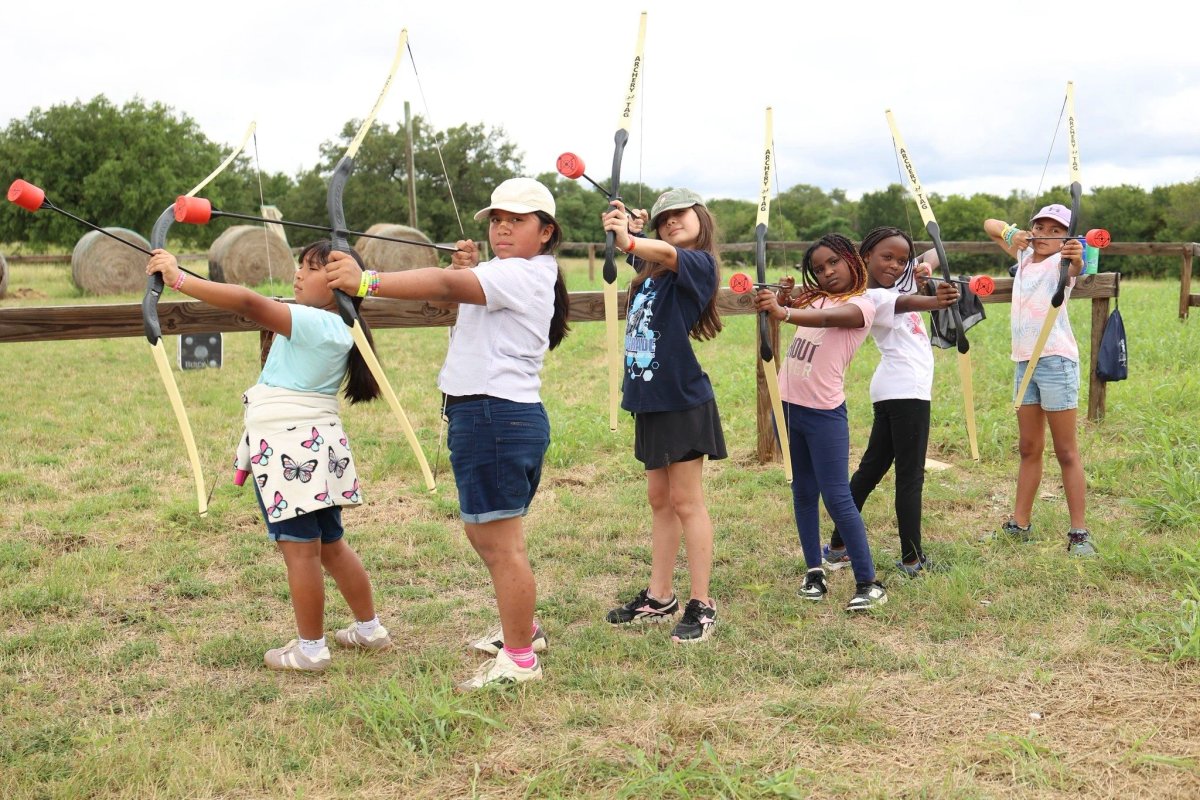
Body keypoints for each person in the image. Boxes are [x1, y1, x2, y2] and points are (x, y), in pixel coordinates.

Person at [325, 177, 570, 687]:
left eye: (517, 221)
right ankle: (523, 629)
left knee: (502, 545)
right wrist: (469, 272)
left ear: (546, 232)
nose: (503, 228)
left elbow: (443, 286)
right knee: (488, 533)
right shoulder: (506, 273)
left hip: (495, 416)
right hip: (486, 415)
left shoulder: (524, 275)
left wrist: (366, 281)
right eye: (497, 220)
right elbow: (461, 298)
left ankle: (521, 661)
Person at [146, 241, 392, 673]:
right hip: (314, 447)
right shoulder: (336, 326)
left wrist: (179, 278)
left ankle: (311, 649)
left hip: (289, 449)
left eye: (313, 269)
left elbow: (245, 301)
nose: (299, 274)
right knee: (330, 545)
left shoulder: (317, 322)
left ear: (339, 283)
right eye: (301, 265)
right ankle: (369, 629)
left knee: (300, 550)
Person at [601, 188, 726, 643]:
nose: (672, 221)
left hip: (682, 400)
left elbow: (664, 252)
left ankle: (702, 603)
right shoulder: (656, 271)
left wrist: (630, 240)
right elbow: (650, 255)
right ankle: (660, 595)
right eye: (664, 217)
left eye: (681, 214)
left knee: (686, 501)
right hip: (650, 401)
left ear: (702, 217)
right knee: (660, 500)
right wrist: (631, 229)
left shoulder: (698, 263)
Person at [754, 233, 887, 611]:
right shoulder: (815, 298)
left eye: (833, 263)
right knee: (802, 491)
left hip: (824, 414)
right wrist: (780, 298)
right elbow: (798, 307)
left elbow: (828, 317)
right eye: (818, 268)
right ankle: (815, 571)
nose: (826, 272)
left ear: (851, 260)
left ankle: (868, 582)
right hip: (788, 409)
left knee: (837, 496)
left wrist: (785, 311)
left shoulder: (861, 305)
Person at [820, 228, 959, 577]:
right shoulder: (872, 296)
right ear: (865, 256)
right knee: (910, 477)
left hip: (894, 389)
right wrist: (937, 297)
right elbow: (914, 302)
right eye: (887, 257)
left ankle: (838, 547)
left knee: (869, 471)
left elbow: (934, 256)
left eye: (901, 260)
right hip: (905, 391)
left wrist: (922, 262)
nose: (895, 265)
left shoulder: (897, 281)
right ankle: (913, 558)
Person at [983, 205, 1095, 556]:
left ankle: (1079, 532)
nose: (1044, 233)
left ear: (1066, 237)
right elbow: (989, 223)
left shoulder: (1063, 262)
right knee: (1029, 448)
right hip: (1024, 364)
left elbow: (1079, 265)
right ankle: (1020, 524)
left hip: (1056, 362)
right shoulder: (1025, 252)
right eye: (1039, 226)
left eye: (1054, 229)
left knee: (1066, 451)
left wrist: (1075, 254)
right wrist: (1010, 233)